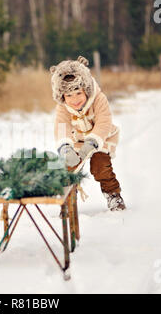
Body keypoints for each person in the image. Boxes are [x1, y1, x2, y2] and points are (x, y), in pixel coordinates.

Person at [50, 56, 126, 211]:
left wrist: (92, 143)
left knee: (100, 167)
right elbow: (62, 126)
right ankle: (69, 199)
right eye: (69, 96)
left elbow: (103, 122)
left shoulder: (98, 99)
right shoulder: (63, 107)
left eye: (78, 93)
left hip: (101, 138)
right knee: (69, 167)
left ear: (86, 89)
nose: (75, 99)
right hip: (77, 139)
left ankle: (113, 195)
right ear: (62, 96)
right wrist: (66, 147)